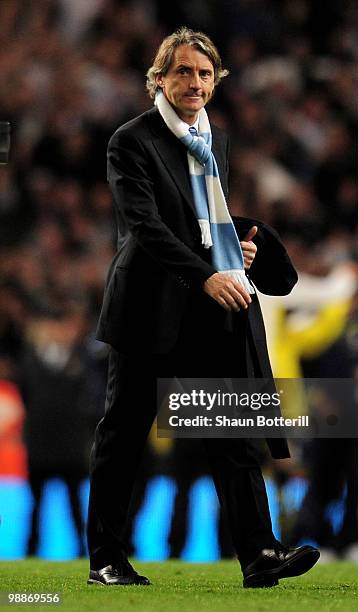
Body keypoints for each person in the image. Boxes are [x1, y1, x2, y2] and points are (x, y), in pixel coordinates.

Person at [86, 27, 319, 588]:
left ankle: (259, 552)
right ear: (159, 79)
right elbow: (145, 227)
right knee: (125, 436)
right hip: (146, 310)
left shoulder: (217, 139)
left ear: (215, 82)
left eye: (205, 74)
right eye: (184, 71)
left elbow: (199, 220)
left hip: (204, 308)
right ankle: (106, 560)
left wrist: (234, 248)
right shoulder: (130, 140)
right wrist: (208, 271)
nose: (195, 82)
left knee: (229, 428)